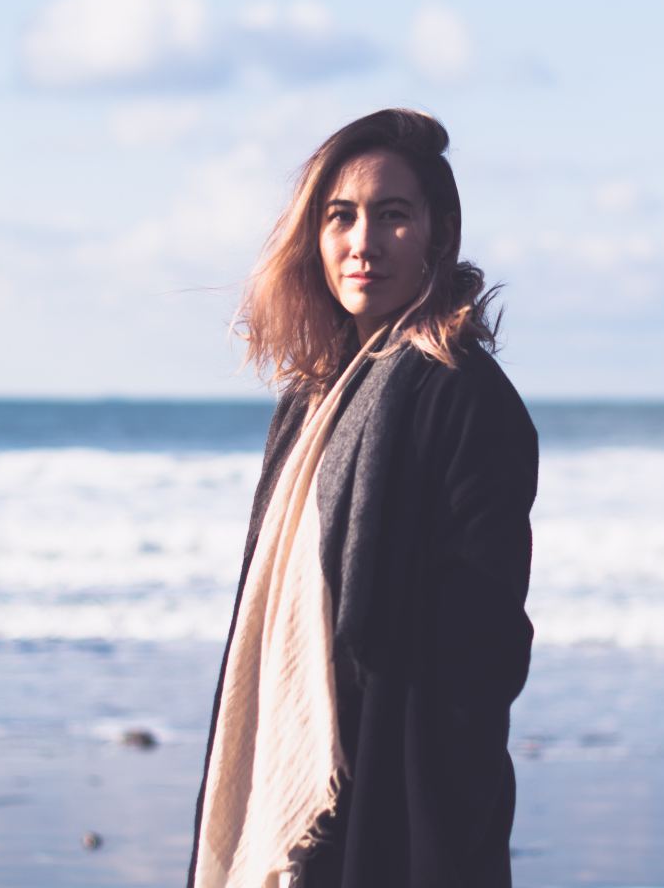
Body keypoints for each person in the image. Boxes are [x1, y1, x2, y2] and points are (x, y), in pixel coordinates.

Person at [187, 108, 539, 888]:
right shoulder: (310, 401)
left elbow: (485, 640)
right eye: (340, 216)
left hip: (399, 791)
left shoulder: (464, 395)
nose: (363, 242)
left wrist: (434, 807)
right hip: (309, 772)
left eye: (393, 216)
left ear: (438, 234)